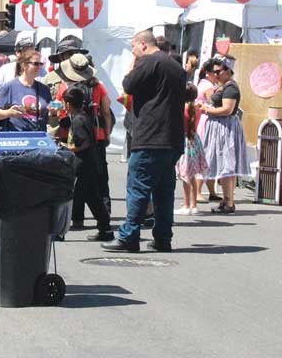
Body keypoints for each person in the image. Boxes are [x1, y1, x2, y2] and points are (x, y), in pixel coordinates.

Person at [102, 31, 185, 253]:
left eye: (133, 48)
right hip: (173, 137)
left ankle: (129, 236)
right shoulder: (176, 66)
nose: (133, 52)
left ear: (143, 45)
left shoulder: (147, 62)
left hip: (150, 136)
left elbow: (128, 85)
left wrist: (132, 66)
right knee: (164, 191)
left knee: (138, 187)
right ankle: (163, 237)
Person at [54, 53, 113, 219]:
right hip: (97, 134)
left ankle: (78, 214)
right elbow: (106, 111)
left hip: (72, 136)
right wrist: (107, 133)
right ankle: (104, 209)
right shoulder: (98, 85)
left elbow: (60, 111)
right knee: (99, 175)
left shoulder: (65, 86)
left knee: (75, 178)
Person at [61, 86, 113, 241]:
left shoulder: (78, 120)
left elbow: (85, 143)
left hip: (83, 165)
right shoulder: (84, 117)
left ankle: (60, 230)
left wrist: (68, 148)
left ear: (68, 104)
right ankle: (105, 228)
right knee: (93, 198)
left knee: (68, 197)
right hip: (89, 164)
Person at [199, 56, 249, 214]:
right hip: (219, 126)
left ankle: (228, 201)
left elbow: (227, 109)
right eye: (213, 72)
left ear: (228, 71)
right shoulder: (223, 86)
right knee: (223, 163)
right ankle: (227, 199)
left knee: (227, 164)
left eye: (218, 71)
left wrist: (207, 109)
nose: (215, 74)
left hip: (225, 127)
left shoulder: (231, 88)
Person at [0, 48, 52, 132]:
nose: (39, 67)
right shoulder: (10, 87)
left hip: (39, 138)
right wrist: (9, 113)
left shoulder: (43, 89)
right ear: (24, 65)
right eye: (35, 64)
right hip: (16, 138)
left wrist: (54, 111)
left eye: (40, 64)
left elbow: (48, 114)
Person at [174, 83, 209, 215]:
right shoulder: (197, 108)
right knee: (193, 174)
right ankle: (194, 205)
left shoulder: (182, 108)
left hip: (184, 141)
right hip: (195, 140)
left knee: (185, 175)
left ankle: (186, 205)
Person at [194, 58, 221, 203]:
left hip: (202, 121)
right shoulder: (209, 87)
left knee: (209, 157)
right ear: (208, 73)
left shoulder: (203, 83)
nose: (218, 74)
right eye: (216, 72)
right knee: (207, 156)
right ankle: (197, 191)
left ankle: (211, 191)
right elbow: (216, 103)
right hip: (207, 122)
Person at [0, 36, 47, 102]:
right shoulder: (5, 69)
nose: (28, 55)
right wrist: (5, 105)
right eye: (25, 52)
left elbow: (46, 92)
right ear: (17, 53)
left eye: (32, 52)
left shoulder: (41, 70)